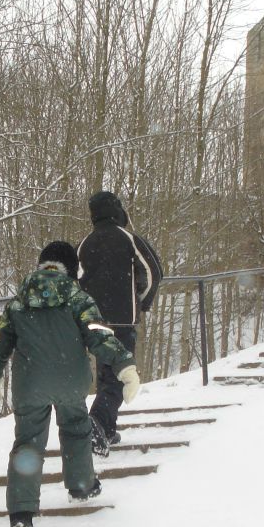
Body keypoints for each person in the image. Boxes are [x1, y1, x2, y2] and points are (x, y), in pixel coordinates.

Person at [0, 241, 139, 527]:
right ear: (70, 268)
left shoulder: (19, 300)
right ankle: (82, 486)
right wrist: (124, 364)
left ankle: (21, 514)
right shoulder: (77, 297)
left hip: (30, 383)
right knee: (76, 429)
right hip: (70, 380)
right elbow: (100, 335)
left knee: (28, 442)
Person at [77, 191, 162, 456]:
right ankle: (98, 422)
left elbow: (75, 283)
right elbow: (153, 272)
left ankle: (108, 431)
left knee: (106, 374)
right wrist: (142, 302)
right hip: (123, 320)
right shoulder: (128, 239)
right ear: (117, 210)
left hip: (93, 323)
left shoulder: (84, 244)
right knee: (119, 376)